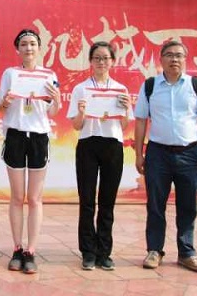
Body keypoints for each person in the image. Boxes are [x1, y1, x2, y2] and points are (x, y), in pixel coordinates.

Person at [134, 40, 197, 273]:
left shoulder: (196, 86)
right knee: (155, 204)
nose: (174, 59)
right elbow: (141, 121)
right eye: (169, 55)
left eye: (179, 55)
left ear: (185, 59)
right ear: (161, 59)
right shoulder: (150, 86)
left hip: (190, 154)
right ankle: (154, 250)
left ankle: (187, 252)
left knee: (188, 205)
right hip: (157, 153)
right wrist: (139, 154)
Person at [0, 29, 61, 274]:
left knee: (34, 198)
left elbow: (53, 112)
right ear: (18, 49)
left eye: (33, 44)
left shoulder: (49, 75)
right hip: (15, 135)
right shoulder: (10, 74)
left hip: (38, 137)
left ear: (39, 48)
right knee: (17, 196)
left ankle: (31, 251)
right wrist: (6, 101)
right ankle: (17, 248)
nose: (28, 48)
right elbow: (0, 107)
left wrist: (56, 100)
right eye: (24, 44)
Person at [67, 41, 133, 271]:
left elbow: (124, 124)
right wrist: (82, 113)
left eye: (105, 58)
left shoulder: (121, 90)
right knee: (87, 200)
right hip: (88, 144)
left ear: (113, 61)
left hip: (113, 145)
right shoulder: (81, 89)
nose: (101, 62)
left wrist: (126, 109)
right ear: (90, 62)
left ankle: (104, 252)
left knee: (107, 201)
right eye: (97, 58)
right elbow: (76, 125)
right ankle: (88, 251)